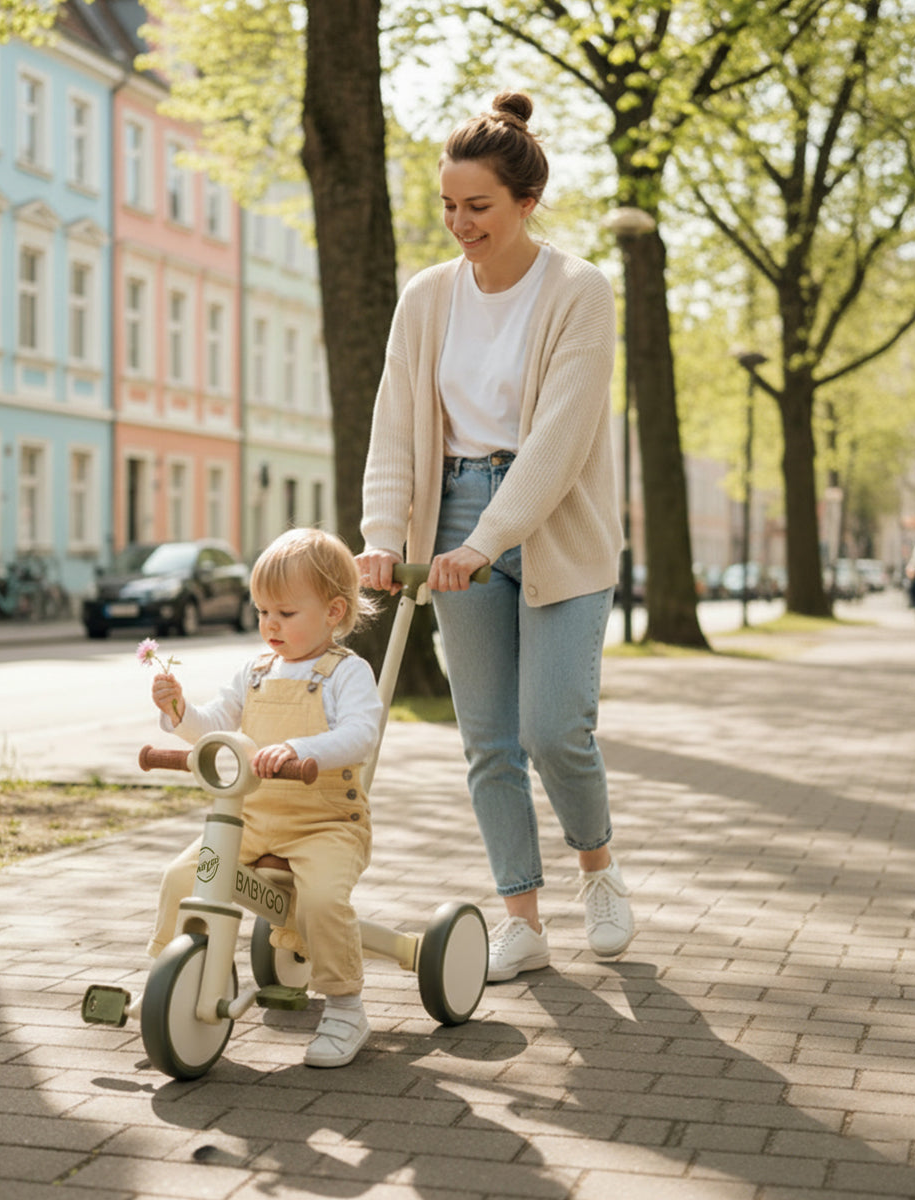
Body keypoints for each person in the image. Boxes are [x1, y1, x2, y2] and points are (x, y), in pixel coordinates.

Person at [357, 89, 635, 983]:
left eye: (477, 206)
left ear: (525, 202)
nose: (459, 224)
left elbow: (559, 441)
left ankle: (597, 867)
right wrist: (379, 533)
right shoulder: (425, 298)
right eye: (448, 205)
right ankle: (522, 916)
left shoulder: (581, 291)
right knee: (488, 738)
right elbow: (396, 423)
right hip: (453, 518)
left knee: (554, 728)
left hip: (557, 526)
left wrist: (488, 542)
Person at [146, 527, 383, 1068]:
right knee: (183, 878)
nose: (269, 624)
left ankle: (345, 1005)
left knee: (321, 901)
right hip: (252, 819)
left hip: (326, 822)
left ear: (332, 611)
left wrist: (298, 748)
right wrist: (181, 712)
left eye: (285, 613)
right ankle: (168, 978)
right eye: (261, 612)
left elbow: (360, 735)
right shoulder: (252, 672)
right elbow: (214, 726)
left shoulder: (346, 673)